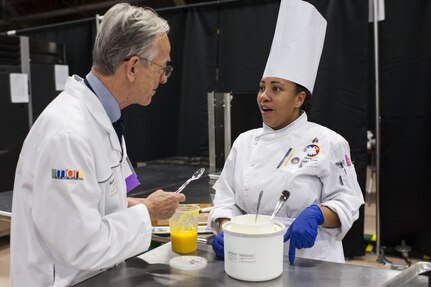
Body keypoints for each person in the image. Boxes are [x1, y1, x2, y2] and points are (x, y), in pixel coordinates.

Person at [10, 3, 185, 286]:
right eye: (163, 67)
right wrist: (147, 213)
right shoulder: (68, 135)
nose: (164, 78)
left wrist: (128, 203)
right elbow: (80, 246)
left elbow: (90, 200)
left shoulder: (106, 119)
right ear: (133, 67)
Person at [208, 0, 364, 264]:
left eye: (276, 89)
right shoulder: (245, 142)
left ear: (299, 99)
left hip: (313, 260)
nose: (263, 97)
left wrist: (317, 213)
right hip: (251, 256)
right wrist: (225, 228)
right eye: (261, 87)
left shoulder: (329, 142)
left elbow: (348, 201)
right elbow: (225, 200)